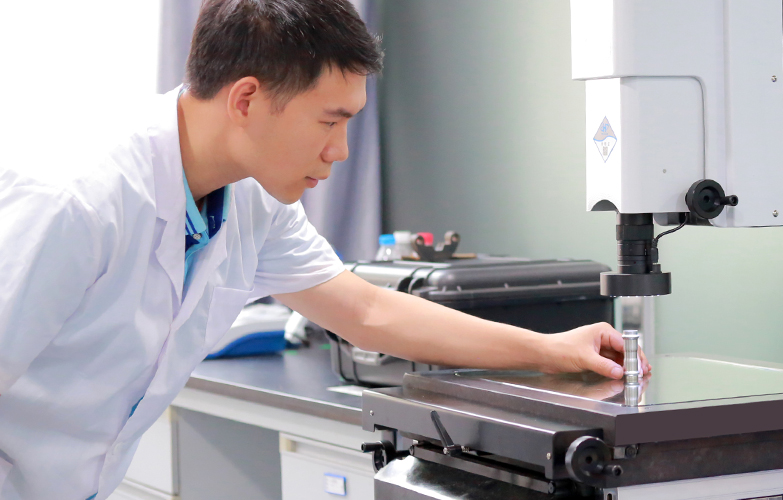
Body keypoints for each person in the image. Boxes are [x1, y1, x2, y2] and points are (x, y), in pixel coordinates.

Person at [0, 1, 650, 498]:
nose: (339, 152)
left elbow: (365, 311)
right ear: (247, 99)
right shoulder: (75, 198)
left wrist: (549, 349)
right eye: (329, 121)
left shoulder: (250, 199)